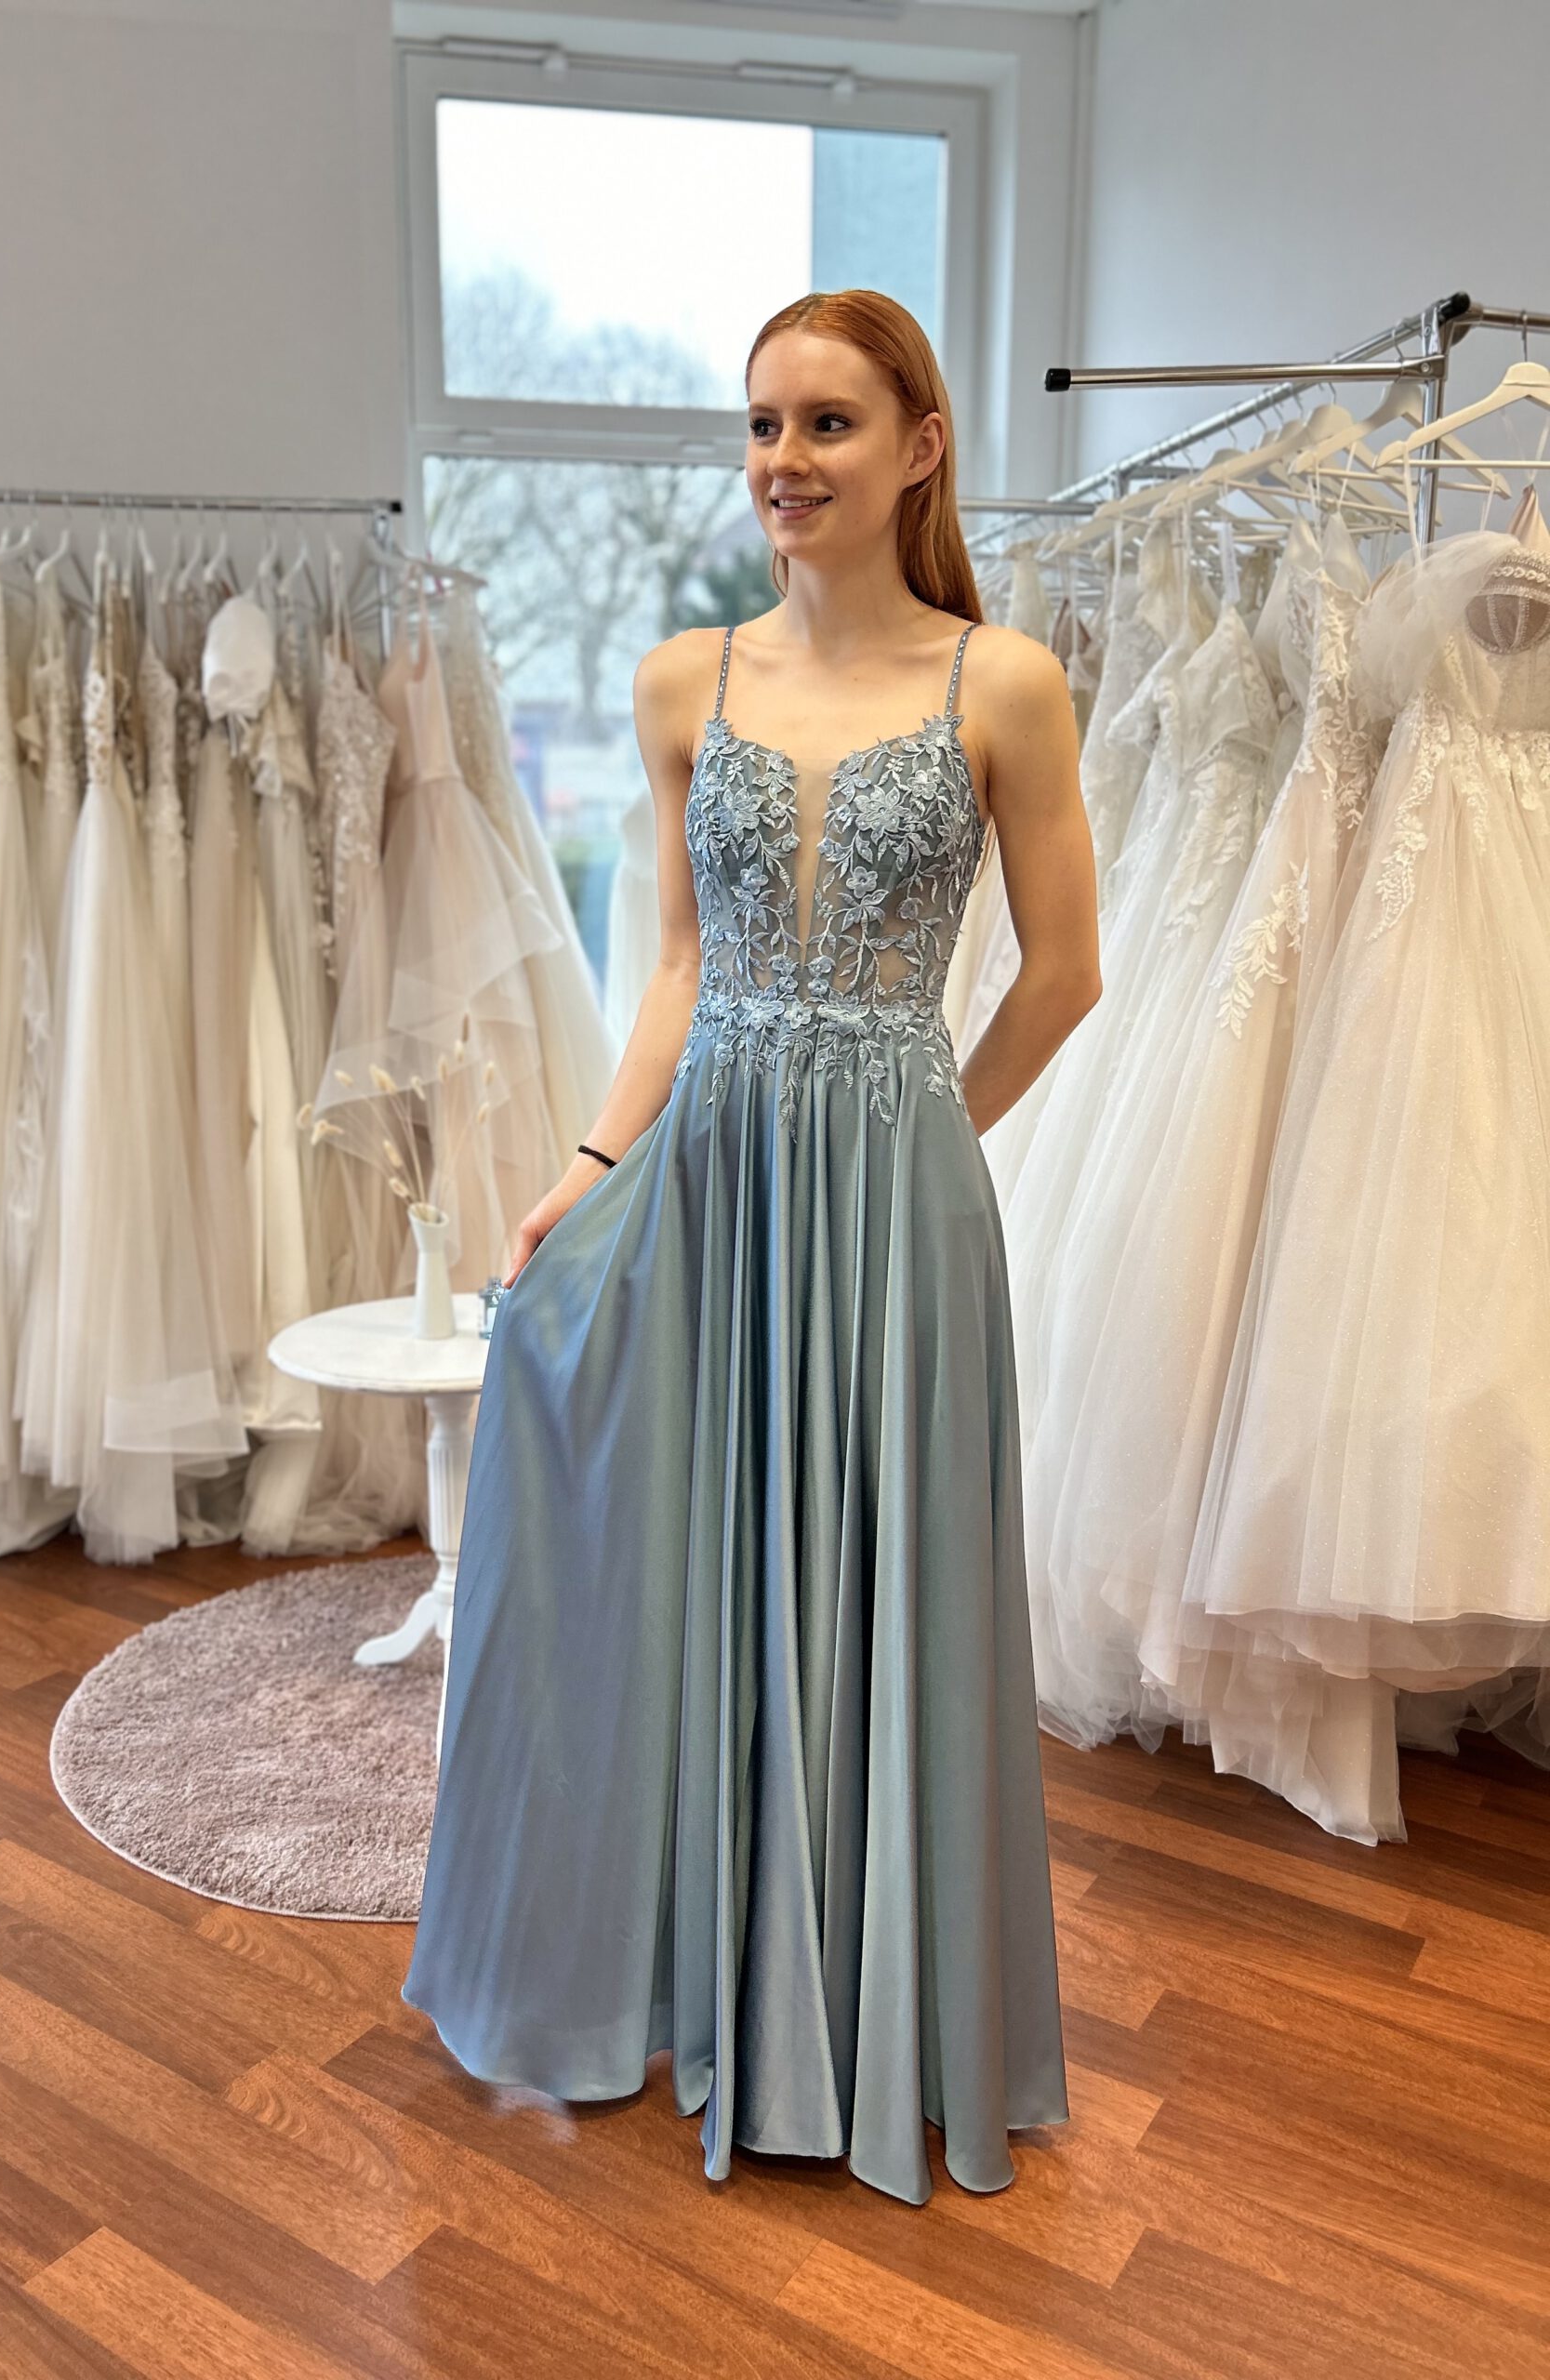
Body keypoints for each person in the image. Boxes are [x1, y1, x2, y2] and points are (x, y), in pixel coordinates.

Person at [400, 288, 1101, 2208]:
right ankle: (699, 1971)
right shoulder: (679, 683)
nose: (785, 461)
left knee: (877, 1573)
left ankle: (872, 2017)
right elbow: (681, 969)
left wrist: (926, 1128)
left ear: (920, 443)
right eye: (764, 425)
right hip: (710, 1175)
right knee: (679, 1549)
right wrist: (589, 1163)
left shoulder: (1004, 684)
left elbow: (1065, 972)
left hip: (897, 1200)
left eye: (828, 423)